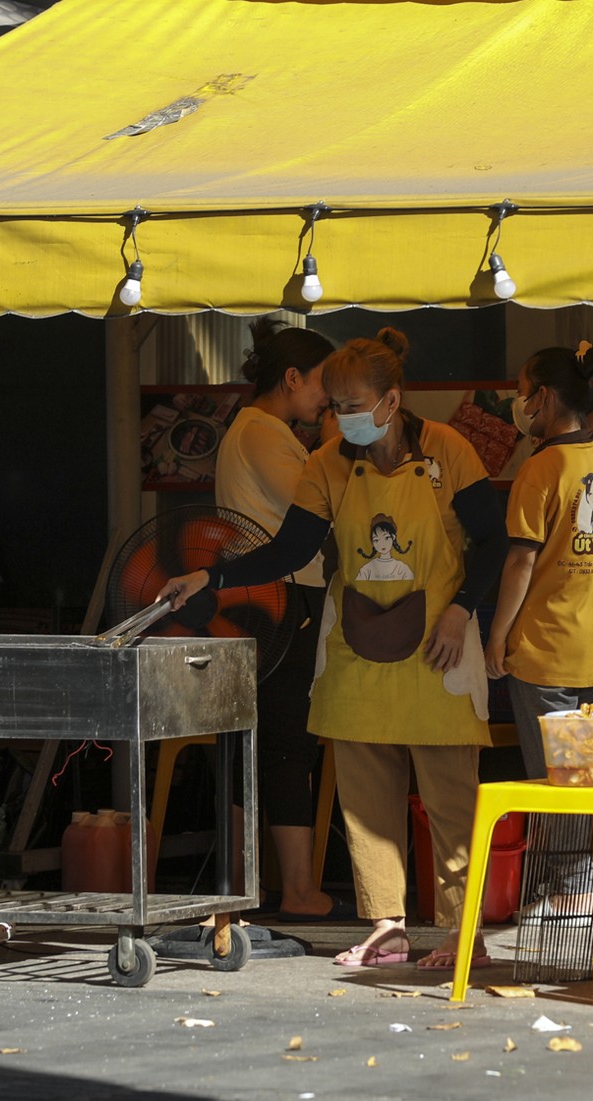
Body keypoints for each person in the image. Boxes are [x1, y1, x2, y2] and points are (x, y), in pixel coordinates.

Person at [162, 328, 507, 969]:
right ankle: (387, 925)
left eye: (352, 404)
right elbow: (290, 551)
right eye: (336, 404)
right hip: (355, 650)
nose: (340, 416)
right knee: (365, 800)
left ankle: (466, 933)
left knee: (452, 800)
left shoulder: (449, 452)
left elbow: (494, 542)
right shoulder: (326, 465)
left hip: (440, 646)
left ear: (391, 400)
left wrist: (462, 612)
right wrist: (213, 574)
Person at [483, 342, 593, 919]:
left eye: (523, 391)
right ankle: (579, 890)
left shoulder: (541, 468)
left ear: (542, 397)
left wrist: (496, 636)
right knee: (583, 781)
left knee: (552, 783)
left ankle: (567, 897)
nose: (519, 402)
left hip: (544, 653)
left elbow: (520, 563)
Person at [212, 317, 343, 921]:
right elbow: (322, 506)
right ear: (291, 379)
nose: (327, 397)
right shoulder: (264, 433)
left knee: (254, 741)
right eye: (321, 384)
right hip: (282, 599)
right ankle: (294, 889)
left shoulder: (259, 428)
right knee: (289, 742)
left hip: (259, 601)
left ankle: (248, 884)